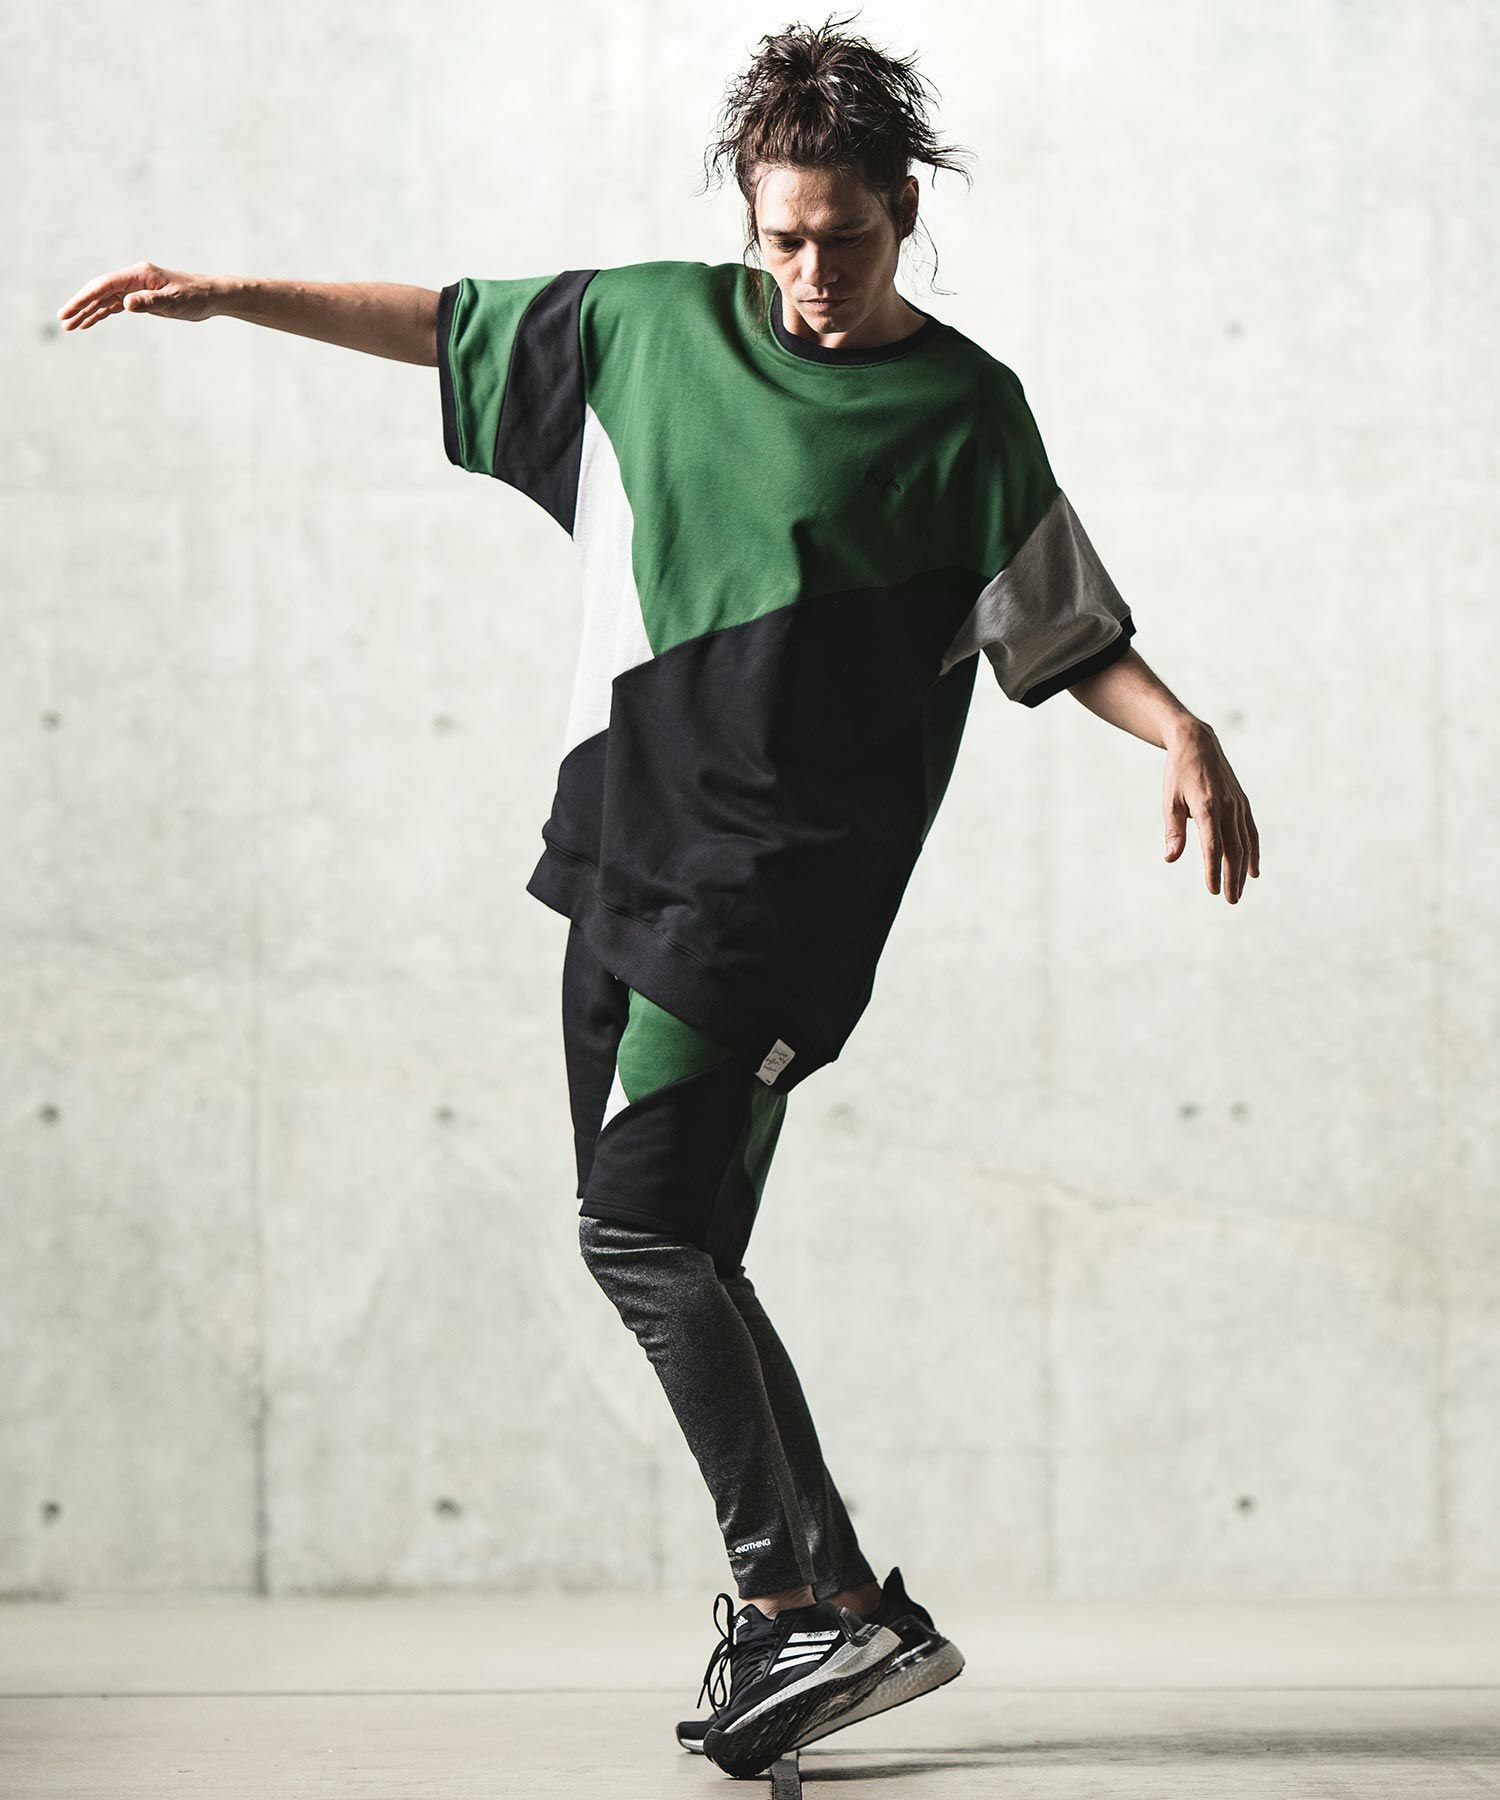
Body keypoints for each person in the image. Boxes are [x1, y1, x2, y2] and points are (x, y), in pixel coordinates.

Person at [57, 10, 1260, 1780]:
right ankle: (836, 1613)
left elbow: (1061, 626)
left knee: (634, 1236)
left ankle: (795, 1603)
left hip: (772, 905)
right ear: (748, 213)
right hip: (615, 857)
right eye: (783, 237)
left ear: (904, 211)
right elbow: (442, 322)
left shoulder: (965, 413)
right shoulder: (651, 328)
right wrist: (230, 296)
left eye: (846, 240)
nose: (811, 276)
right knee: (681, 1244)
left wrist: (1181, 728)